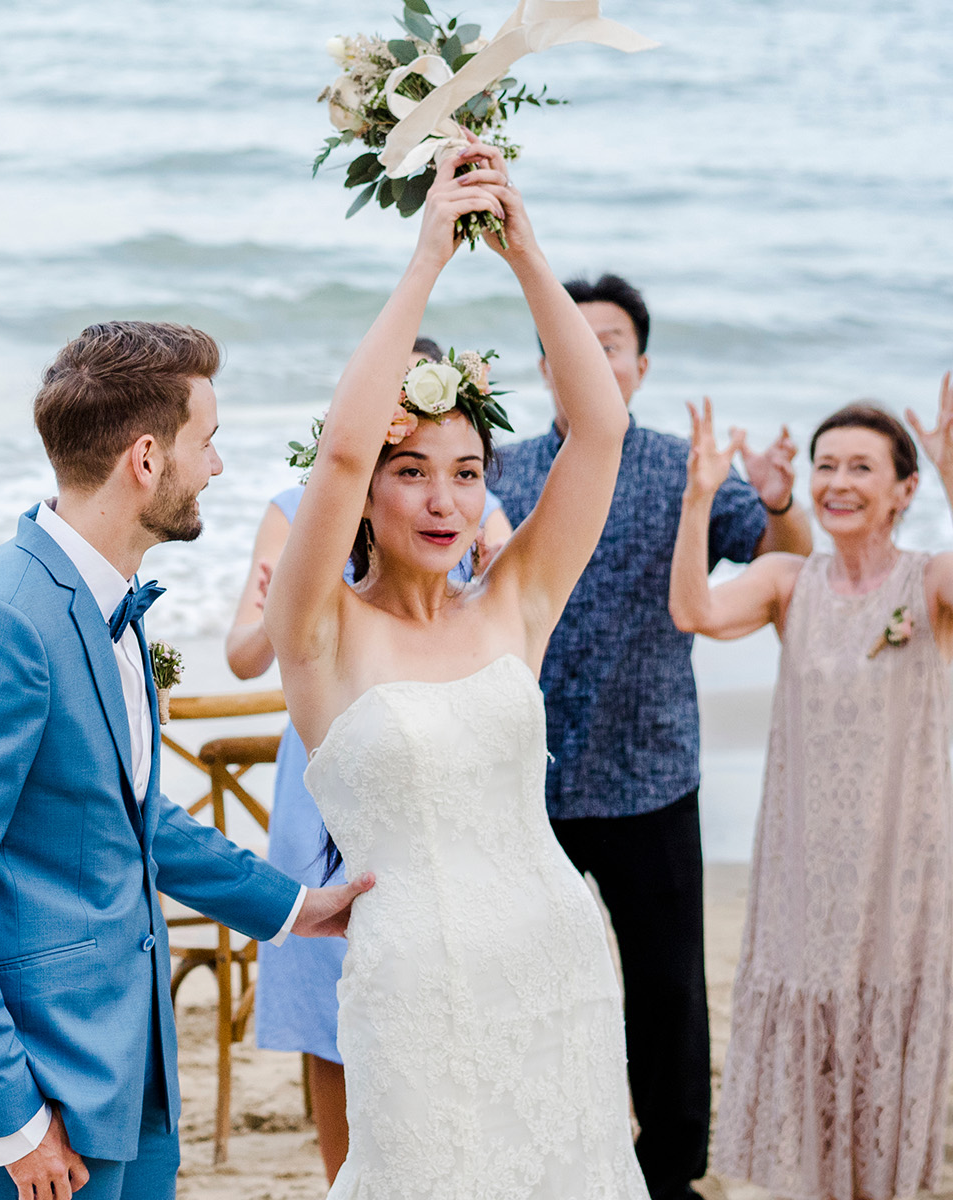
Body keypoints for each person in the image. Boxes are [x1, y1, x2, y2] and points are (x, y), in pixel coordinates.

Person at [0, 313, 367, 1200]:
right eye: (207, 442)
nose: (216, 468)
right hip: (39, 1093)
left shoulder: (108, 604)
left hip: (126, 1067)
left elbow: (133, 814)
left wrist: (298, 906)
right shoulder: (2, 619)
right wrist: (13, 1118)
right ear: (146, 459)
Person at [266, 138, 644, 1196]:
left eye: (468, 472)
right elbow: (339, 451)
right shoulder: (320, 633)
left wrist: (522, 247)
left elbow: (601, 428)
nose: (444, 500)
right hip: (417, 989)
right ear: (366, 497)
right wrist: (428, 255)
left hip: (555, 963)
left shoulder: (517, 602)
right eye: (413, 473)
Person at [489, 269, 810, 1199]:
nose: (592, 358)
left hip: (651, 772)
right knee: (529, 991)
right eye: (574, 344)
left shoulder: (685, 467)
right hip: (523, 781)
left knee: (668, 992)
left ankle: (671, 1175)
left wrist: (782, 497)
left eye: (612, 345)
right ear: (547, 362)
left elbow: (792, 571)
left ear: (640, 364)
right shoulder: (496, 470)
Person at [220, 337, 511, 1184]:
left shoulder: (455, 496)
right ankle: (341, 1176)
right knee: (326, 1004)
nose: (438, 492)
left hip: (434, 758)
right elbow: (245, 653)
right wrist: (279, 607)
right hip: (334, 761)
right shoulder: (295, 507)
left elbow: (486, 579)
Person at [671, 386, 953, 1200]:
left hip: (901, 870)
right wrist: (698, 502)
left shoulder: (929, 583)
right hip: (806, 864)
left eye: (862, 467)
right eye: (826, 464)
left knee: (885, 1042)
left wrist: (951, 466)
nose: (837, 481)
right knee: (814, 1055)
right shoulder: (787, 580)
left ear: (904, 489)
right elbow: (691, 609)